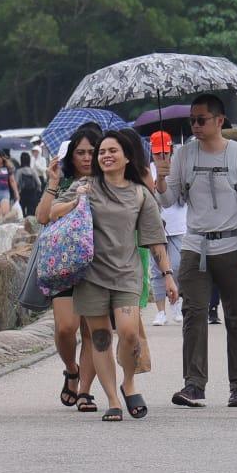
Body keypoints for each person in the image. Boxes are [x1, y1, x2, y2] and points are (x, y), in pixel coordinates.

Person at [156, 94, 237, 410]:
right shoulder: (183, 155)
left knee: (236, 314)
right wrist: (161, 178)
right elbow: (169, 201)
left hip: (233, 244)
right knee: (193, 313)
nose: (195, 125)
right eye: (192, 120)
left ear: (219, 121)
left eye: (201, 119)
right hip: (195, 244)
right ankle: (194, 385)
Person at [75, 129, 177, 422]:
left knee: (130, 333)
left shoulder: (140, 193)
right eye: (102, 151)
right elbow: (51, 213)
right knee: (102, 338)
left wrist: (167, 275)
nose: (105, 156)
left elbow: (155, 239)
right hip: (91, 275)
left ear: (127, 157)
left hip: (127, 274)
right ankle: (112, 400)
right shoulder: (86, 186)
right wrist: (71, 197)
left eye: (112, 151)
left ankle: (128, 380)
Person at [38, 125, 104, 412]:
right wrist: (56, 183)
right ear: (71, 155)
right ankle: (71, 369)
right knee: (66, 328)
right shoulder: (64, 183)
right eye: (81, 153)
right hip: (63, 263)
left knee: (92, 332)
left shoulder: (109, 182)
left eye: (92, 152)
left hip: (97, 263)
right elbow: (43, 217)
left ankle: (86, 391)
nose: (87, 158)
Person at [149, 131, 185, 328]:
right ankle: (160, 311)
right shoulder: (148, 170)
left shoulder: (179, 168)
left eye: (164, 152)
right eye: (157, 153)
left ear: (171, 150)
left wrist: (167, 179)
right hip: (156, 226)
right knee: (157, 270)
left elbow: (180, 198)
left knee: (177, 266)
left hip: (179, 224)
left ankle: (177, 303)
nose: (161, 157)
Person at [15, 152, 45, 217]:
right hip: (32, 192)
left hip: (22, 193)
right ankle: (29, 223)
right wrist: (38, 190)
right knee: (31, 210)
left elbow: (16, 182)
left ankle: (22, 223)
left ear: (21, 160)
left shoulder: (19, 171)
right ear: (29, 160)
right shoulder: (32, 170)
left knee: (22, 210)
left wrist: (17, 191)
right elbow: (39, 183)